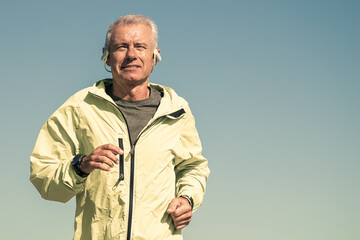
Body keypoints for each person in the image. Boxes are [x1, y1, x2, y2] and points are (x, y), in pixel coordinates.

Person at [30, 14, 209, 240]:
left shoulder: (177, 110)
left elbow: (193, 167)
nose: (131, 55)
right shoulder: (79, 108)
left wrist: (187, 199)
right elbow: (42, 175)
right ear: (106, 56)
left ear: (155, 56)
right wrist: (80, 166)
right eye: (121, 47)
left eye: (140, 46)